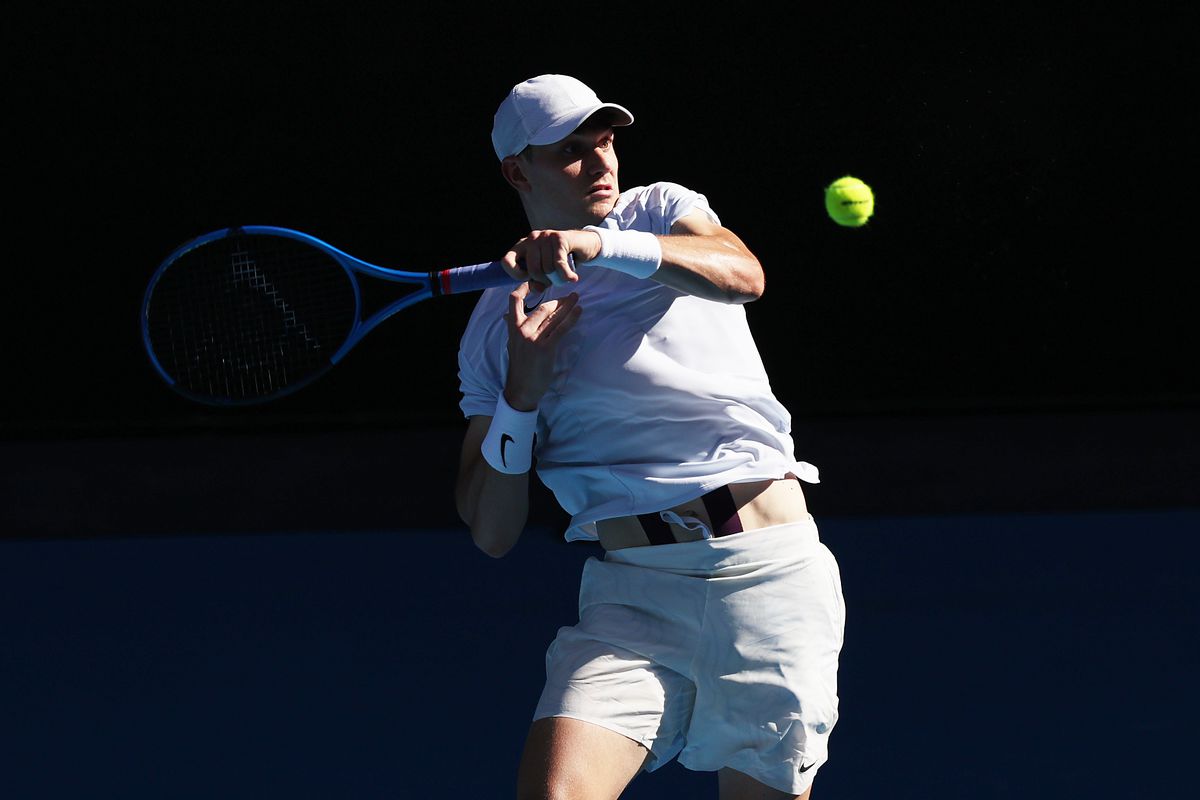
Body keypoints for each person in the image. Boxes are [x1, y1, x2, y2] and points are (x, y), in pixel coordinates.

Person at [455, 74, 845, 800]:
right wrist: (521, 396)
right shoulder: (494, 329)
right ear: (518, 171)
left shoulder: (661, 210)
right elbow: (491, 530)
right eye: (572, 150)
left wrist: (600, 245)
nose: (602, 162)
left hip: (769, 576)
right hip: (631, 597)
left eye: (604, 141)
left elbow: (743, 275)